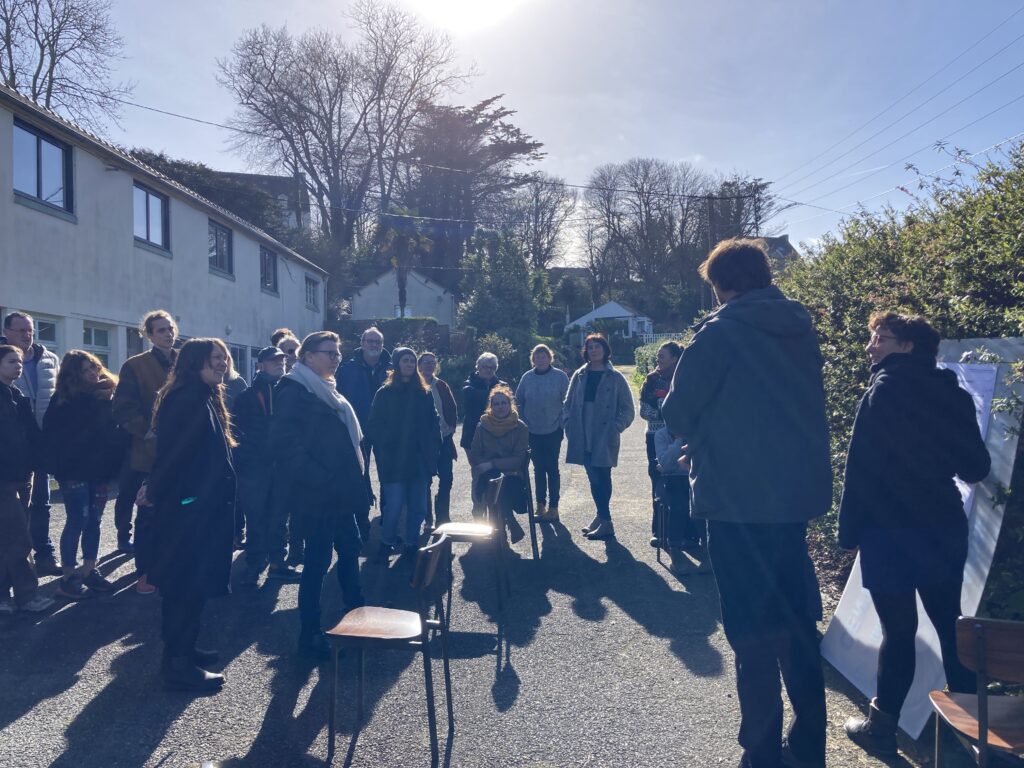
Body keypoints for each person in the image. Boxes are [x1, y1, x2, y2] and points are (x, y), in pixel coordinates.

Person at [662, 238, 831, 768]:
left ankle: (761, 752)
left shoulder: (721, 332)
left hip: (735, 501)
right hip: (792, 500)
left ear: (722, 285)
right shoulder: (800, 330)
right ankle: (809, 746)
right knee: (799, 623)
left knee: (751, 631)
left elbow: (679, 412)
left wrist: (705, 433)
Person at [838, 312, 990, 757]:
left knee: (899, 631)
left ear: (907, 346)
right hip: (943, 526)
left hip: (890, 531)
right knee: (950, 623)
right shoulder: (954, 394)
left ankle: (881, 729)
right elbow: (976, 468)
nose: (870, 347)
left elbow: (859, 470)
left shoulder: (882, 392)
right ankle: (971, 737)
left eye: (879, 338)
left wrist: (849, 532)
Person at [139, 339, 236, 693]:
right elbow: (174, 455)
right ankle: (177, 664)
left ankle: (184, 650)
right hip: (189, 512)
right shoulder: (187, 400)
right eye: (216, 359)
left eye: (224, 359)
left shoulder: (203, 396)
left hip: (197, 510)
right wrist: (156, 490)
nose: (223, 364)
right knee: (184, 587)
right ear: (196, 362)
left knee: (191, 587)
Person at [271, 332, 368, 659]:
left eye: (338, 353)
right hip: (316, 495)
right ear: (308, 356)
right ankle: (309, 633)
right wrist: (321, 478)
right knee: (316, 562)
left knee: (350, 548)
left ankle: (357, 611)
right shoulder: (293, 390)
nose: (336, 359)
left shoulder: (327, 389)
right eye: (330, 353)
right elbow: (286, 446)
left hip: (339, 491)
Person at [42, 351, 128, 599]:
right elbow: (53, 437)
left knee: (95, 520)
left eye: (96, 368)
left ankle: (90, 570)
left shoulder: (106, 397)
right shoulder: (63, 400)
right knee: (76, 520)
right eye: (87, 370)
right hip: (73, 472)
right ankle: (69, 577)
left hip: (100, 472)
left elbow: (113, 433)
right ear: (73, 374)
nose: (94, 373)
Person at [111, 310, 177, 595]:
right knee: (148, 511)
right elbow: (122, 406)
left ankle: (172, 564)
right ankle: (146, 572)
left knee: (178, 510)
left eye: (170, 328)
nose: (168, 333)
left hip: (182, 450)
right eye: (161, 330)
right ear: (148, 335)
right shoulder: (135, 365)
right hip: (149, 452)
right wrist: (145, 430)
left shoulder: (185, 360)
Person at [2, 312, 61, 577]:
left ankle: (44, 555)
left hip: (44, 441)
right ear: (7, 331)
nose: (27, 335)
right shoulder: (5, 358)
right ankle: (16, 568)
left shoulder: (49, 359)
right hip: (15, 448)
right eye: (21, 330)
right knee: (15, 510)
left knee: (42, 502)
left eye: (31, 330)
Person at [368, 347, 441, 560]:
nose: (409, 364)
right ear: (397, 364)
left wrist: (432, 450)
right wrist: (389, 443)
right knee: (394, 506)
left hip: (418, 461)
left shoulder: (424, 393)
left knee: (418, 507)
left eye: (412, 361)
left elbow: (433, 424)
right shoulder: (384, 393)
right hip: (394, 461)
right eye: (405, 360)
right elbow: (373, 426)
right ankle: (387, 542)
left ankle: (411, 543)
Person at [234, 346, 298, 585]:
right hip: (255, 468)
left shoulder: (290, 392)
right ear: (260, 365)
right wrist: (250, 460)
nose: (280, 363)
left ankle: (277, 563)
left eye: (282, 360)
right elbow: (239, 434)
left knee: (280, 516)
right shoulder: (246, 397)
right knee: (256, 517)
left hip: (281, 466)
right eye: (273, 361)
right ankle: (254, 563)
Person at [563, 334, 635, 540]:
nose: (593, 350)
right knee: (593, 478)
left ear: (605, 350)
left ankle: (605, 521)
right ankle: (602, 518)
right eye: (590, 347)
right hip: (582, 434)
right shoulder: (580, 375)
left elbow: (628, 410)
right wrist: (568, 424)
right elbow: (567, 404)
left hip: (604, 436)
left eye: (597, 347)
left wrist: (615, 428)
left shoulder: (616, 377)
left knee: (602, 477)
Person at [0, 345, 54, 614]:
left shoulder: (18, 396)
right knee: (19, 538)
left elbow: (32, 436)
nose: (18, 366)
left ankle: (4, 597)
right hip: (4, 479)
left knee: (9, 538)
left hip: (23, 476)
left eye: (20, 362)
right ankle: (26, 595)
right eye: (12, 361)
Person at [468, 386, 530, 544]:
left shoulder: (520, 427)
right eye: (496, 404)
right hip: (488, 475)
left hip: (512, 475)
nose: (500, 407)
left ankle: (501, 529)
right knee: (493, 482)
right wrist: (490, 466)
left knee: (499, 486)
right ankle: (508, 523)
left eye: (504, 403)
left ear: (510, 405)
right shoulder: (482, 426)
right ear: (491, 406)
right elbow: (474, 453)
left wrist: (492, 463)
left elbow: (518, 460)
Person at [515, 344, 569, 523]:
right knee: (538, 469)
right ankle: (540, 505)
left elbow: (568, 402)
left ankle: (554, 507)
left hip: (553, 429)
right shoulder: (527, 378)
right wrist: (524, 421)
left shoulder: (560, 377)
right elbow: (518, 401)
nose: (540, 359)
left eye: (543, 356)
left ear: (549, 357)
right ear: (533, 359)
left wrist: (562, 423)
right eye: (537, 356)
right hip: (532, 431)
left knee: (552, 468)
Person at [640, 341, 681, 546]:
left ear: (674, 358)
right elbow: (644, 410)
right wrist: (665, 415)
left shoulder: (684, 378)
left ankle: (684, 532)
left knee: (682, 481)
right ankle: (659, 530)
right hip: (655, 437)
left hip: (681, 436)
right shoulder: (652, 380)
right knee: (658, 481)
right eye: (657, 355)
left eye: (662, 355)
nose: (658, 358)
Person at [653, 425, 705, 576]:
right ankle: (674, 549)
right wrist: (679, 440)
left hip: (691, 479)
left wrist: (672, 464)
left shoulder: (696, 432)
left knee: (700, 500)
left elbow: (699, 463)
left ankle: (707, 547)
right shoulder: (660, 435)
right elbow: (667, 464)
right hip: (669, 481)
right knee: (678, 503)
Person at [418, 352, 458, 527]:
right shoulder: (414, 385)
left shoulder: (441, 385)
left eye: (433, 363)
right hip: (424, 442)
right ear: (419, 365)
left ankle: (443, 516)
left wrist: (451, 428)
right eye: (426, 362)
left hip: (444, 438)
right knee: (425, 481)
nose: (430, 365)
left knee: (447, 478)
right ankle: (428, 519)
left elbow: (452, 407)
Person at [460, 352, 507, 459]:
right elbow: (472, 396)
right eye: (485, 367)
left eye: (492, 367)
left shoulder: (503, 385)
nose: (489, 370)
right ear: (478, 367)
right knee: (478, 469)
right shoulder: (468, 385)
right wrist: (497, 396)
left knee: (498, 469)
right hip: (473, 435)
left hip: (497, 434)